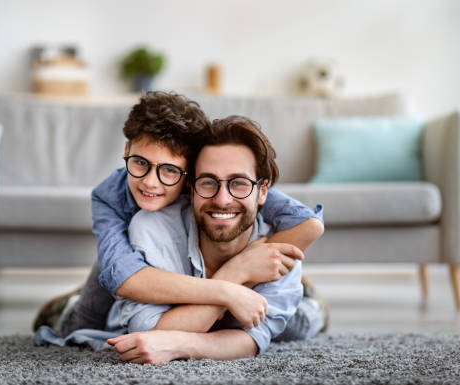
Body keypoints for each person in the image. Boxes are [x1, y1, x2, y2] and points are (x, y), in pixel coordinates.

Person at [33, 91, 325, 341]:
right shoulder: (110, 196)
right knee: (85, 319)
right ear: (127, 151)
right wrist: (233, 278)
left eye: (169, 170)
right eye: (140, 163)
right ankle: (67, 306)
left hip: (191, 270)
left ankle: (314, 304)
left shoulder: (215, 188)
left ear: (189, 174)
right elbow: (125, 279)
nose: (150, 182)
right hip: (127, 264)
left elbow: (309, 225)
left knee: (286, 327)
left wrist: (262, 263)